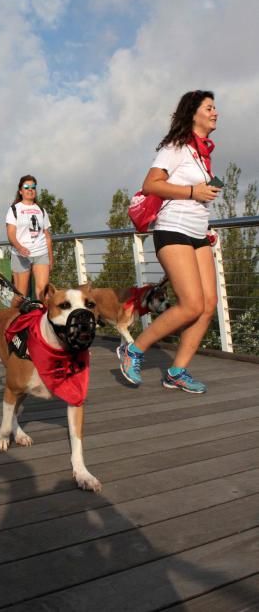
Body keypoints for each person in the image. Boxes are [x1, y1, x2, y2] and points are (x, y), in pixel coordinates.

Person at [119, 90, 222, 394]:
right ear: (193, 113)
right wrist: (193, 193)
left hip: (197, 233)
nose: (216, 112)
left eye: (215, 108)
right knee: (190, 304)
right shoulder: (176, 147)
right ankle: (133, 351)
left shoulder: (203, 155)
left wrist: (203, 207)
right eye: (209, 108)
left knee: (208, 305)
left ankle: (176, 372)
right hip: (173, 229)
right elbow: (151, 183)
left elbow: (198, 193)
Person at [6, 174, 53, 302]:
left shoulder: (41, 210)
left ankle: (40, 321)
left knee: (43, 294)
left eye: (33, 187)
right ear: (21, 191)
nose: (30, 190)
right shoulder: (14, 209)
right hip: (21, 255)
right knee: (20, 296)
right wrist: (19, 247)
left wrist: (50, 258)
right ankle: (13, 320)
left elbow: (47, 236)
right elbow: (10, 234)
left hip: (41, 253)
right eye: (26, 187)